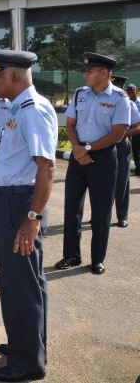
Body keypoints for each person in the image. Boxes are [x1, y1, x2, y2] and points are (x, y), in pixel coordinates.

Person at [0, 46, 56, 383]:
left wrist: (32, 218)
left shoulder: (32, 110)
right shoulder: (20, 108)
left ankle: (26, 362)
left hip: (19, 204)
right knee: (26, 280)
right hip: (11, 201)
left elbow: (46, 167)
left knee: (19, 284)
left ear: (14, 75)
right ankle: (28, 345)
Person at [56, 52, 130, 275]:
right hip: (79, 156)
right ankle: (71, 254)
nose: (85, 74)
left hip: (103, 157)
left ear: (104, 73)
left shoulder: (119, 98)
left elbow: (118, 133)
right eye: (85, 71)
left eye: (90, 71)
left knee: (101, 211)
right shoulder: (80, 94)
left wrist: (86, 149)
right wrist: (78, 148)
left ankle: (98, 259)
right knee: (72, 208)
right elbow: (70, 124)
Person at [114, 87, 140, 227]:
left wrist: (121, 135)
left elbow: (138, 126)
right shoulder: (98, 101)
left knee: (122, 181)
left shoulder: (129, 104)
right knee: (99, 182)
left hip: (121, 145)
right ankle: (98, 215)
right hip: (101, 145)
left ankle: (122, 216)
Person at [128, 84, 140, 176]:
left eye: (133, 92)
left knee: (137, 149)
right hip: (127, 129)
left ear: (136, 91)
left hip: (137, 129)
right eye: (129, 92)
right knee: (128, 149)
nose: (131, 94)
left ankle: (138, 169)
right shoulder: (126, 102)